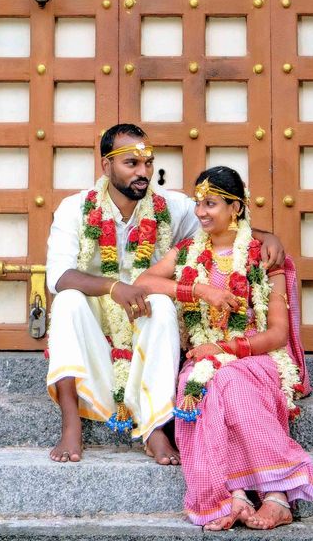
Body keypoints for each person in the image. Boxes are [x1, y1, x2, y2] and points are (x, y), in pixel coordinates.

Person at [45, 124, 285, 465]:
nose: (143, 173)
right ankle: (71, 422)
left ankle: (154, 425)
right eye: (132, 164)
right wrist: (114, 288)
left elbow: (223, 221)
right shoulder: (75, 208)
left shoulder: (169, 206)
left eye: (148, 163)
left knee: (160, 303)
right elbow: (59, 276)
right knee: (67, 300)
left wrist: (268, 236)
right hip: (95, 321)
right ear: (106, 166)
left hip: (144, 317)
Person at [134, 166, 313, 530]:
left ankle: (277, 497)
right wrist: (198, 290)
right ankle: (233, 495)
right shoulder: (186, 252)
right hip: (202, 359)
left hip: (254, 355)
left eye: (211, 204)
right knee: (198, 387)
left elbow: (278, 333)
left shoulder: (261, 256)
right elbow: (143, 281)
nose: (200, 212)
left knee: (230, 379)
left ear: (236, 207)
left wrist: (225, 346)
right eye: (199, 203)